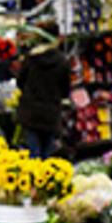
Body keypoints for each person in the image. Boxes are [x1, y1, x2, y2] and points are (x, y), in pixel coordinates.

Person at [13, 21, 71, 159]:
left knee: (33, 155)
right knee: (48, 157)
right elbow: (65, 90)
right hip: (51, 113)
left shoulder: (31, 58)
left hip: (30, 112)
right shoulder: (62, 61)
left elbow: (20, 82)